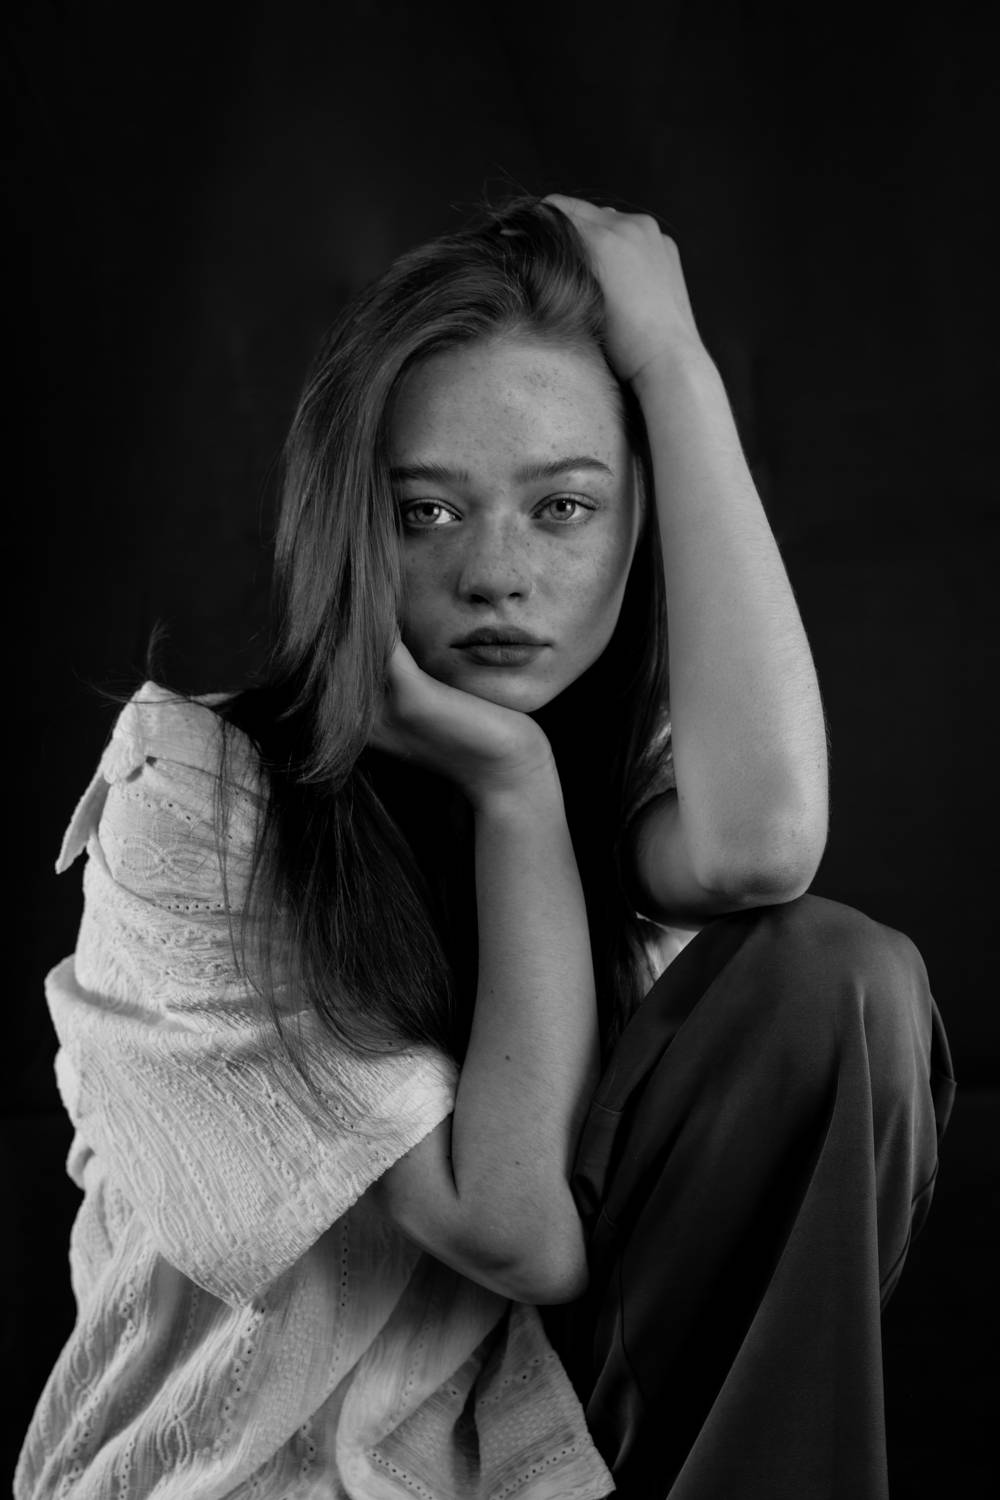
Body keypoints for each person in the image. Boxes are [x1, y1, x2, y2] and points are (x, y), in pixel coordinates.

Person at [16, 192, 954, 1500]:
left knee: (840, 977)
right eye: (428, 513)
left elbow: (763, 852)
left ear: (639, 522)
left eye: (564, 507)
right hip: (262, 1481)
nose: (496, 576)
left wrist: (676, 366)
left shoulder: (625, 781)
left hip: (561, 1456)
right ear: (351, 524)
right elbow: (513, 1236)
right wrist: (509, 790)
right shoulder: (196, 796)